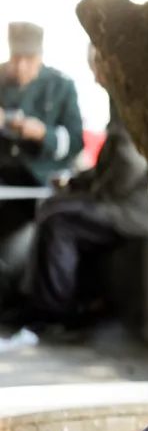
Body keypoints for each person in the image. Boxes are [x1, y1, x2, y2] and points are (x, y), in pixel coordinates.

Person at [5, 44, 148, 330]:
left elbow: (128, 166)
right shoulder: (120, 100)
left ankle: (53, 310)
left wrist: (91, 192)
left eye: (96, 67)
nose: (95, 77)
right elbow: (109, 164)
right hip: (116, 200)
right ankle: (39, 302)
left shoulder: (130, 100)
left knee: (59, 218)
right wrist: (76, 183)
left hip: (131, 210)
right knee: (54, 208)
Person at [0, 22, 83, 300]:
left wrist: (42, 134)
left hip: (39, 185)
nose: (22, 67)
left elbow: (75, 143)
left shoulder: (61, 86)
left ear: (40, 56)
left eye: (29, 60)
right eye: (16, 59)